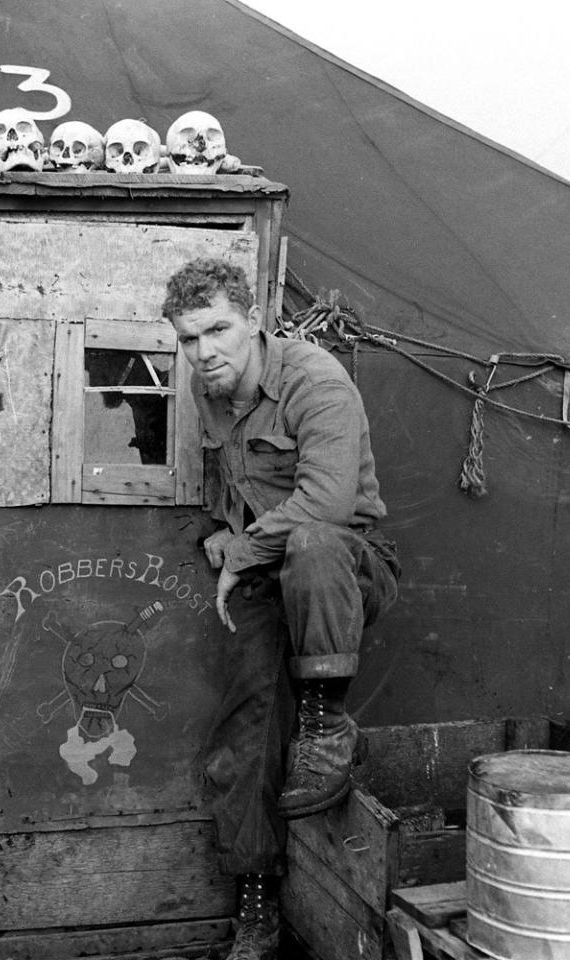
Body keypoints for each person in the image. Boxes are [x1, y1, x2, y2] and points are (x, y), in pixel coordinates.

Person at [162, 258, 400, 960]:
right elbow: (218, 493)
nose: (204, 353)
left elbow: (326, 506)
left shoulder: (314, 379)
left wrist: (243, 551)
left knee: (314, 542)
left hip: (349, 567)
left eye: (217, 331)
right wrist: (220, 540)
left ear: (253, 320)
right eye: (187, 339)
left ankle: (326, 723)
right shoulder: (211, 395)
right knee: (247, 732)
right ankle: (257, 903)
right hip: (270, 576)